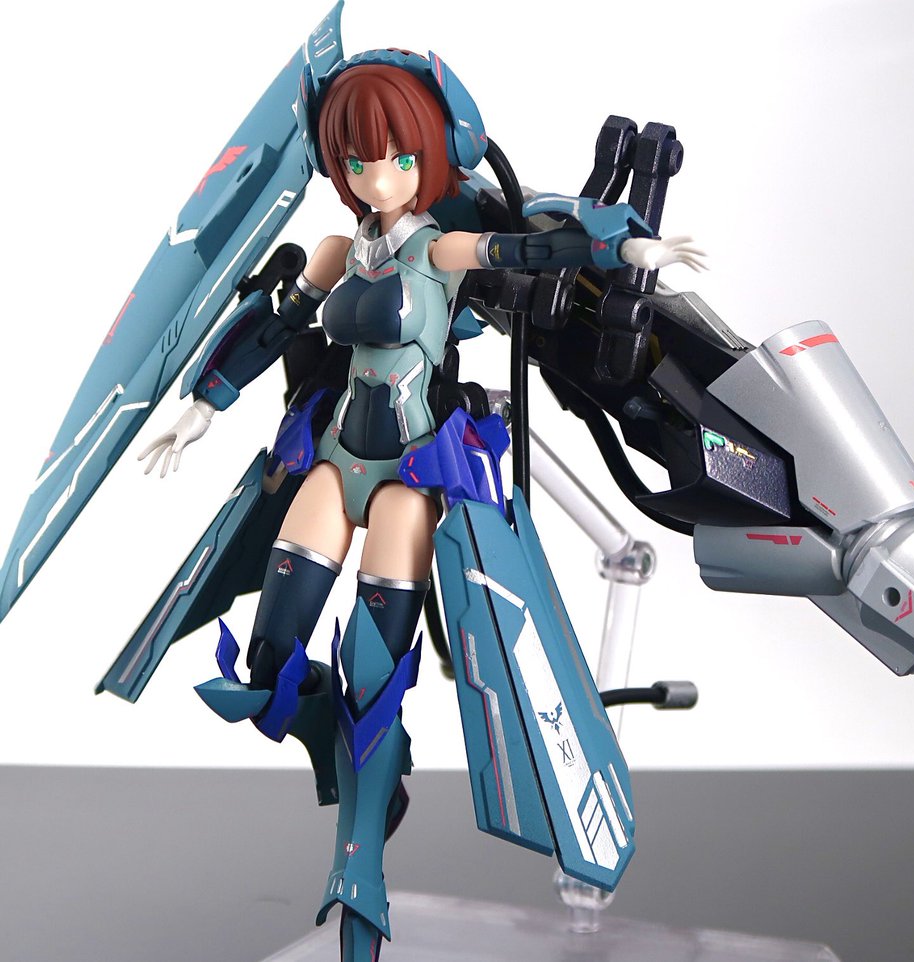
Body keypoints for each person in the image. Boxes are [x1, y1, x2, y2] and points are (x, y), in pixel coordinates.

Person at [137, 50, 703, 962]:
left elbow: (528, 248)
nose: (378, 178)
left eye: (398, 158)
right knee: (269, 658)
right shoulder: (338, 251)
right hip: (334, 458)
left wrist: (622, 244)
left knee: (371, 672)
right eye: (359, 160)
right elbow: (276, 322)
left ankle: (359, 861)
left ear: (430, 158)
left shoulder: (437, 250)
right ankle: (366, 760)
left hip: (410, 471)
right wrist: (203, 405)